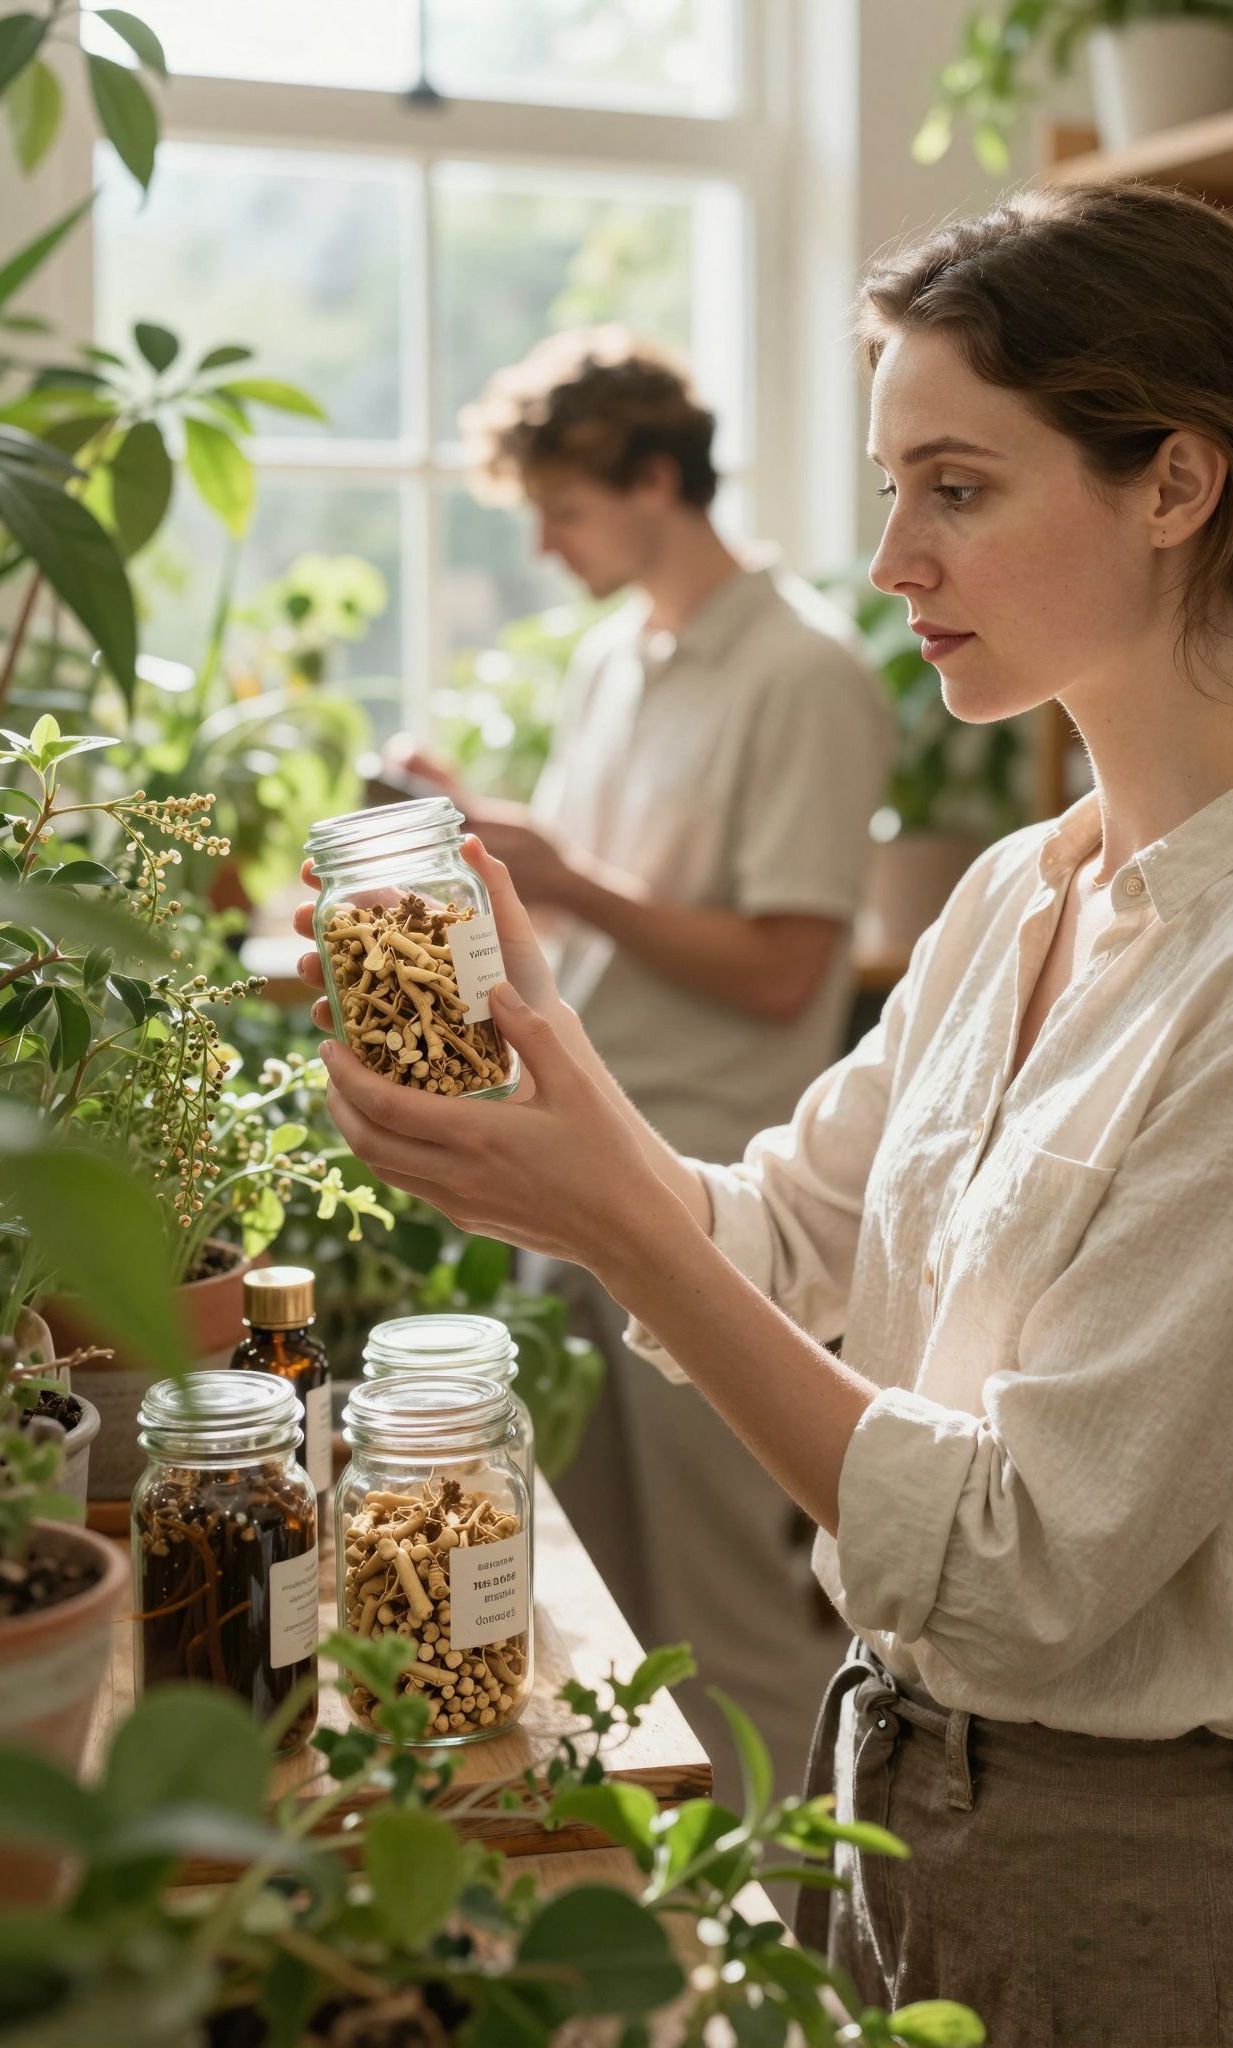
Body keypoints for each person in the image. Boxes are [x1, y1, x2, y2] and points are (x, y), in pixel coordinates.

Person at [298, 182, 1233, 2042]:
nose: (891, 561)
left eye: (957, 487)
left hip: (1159, 1906)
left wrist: (610, 1218)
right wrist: (545, 1067)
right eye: (890, 490)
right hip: (906, 1822)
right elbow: (782, 1240)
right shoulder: (1020, 888)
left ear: (1175, 483)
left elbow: (1027, 1571)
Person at [383, 329, 895, 1810]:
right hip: (581, 1165)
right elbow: (589, 897)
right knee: (591, 1597)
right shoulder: (617, 658)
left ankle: (807, 1963)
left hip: (712, 1194)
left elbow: (786, 968)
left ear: (657, 479)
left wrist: (573, 877)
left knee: (731, 1606)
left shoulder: (803, 676)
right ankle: (664, 1953)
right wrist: (480, 835)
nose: (545, 545)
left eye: (567, 508)